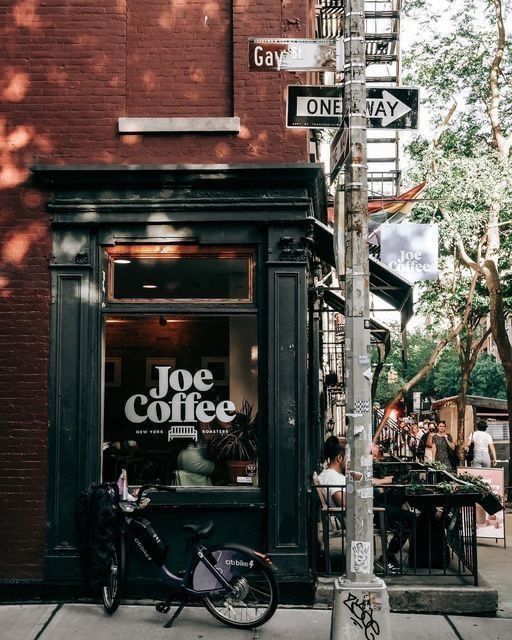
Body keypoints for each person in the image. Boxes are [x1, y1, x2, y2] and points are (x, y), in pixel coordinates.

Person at [318, 436, 346, 507]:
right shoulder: (331, 477)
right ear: (339, 458)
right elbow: (342, 503)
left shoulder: (334, 474)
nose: (349, 462)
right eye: (347, 459)